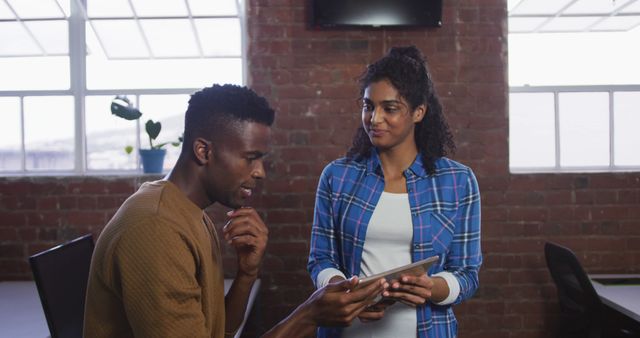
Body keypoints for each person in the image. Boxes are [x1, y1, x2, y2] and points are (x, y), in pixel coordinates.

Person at [84, 84, 387, 338]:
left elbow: (220, 330)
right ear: (204, 151)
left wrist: (246, 273)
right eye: (250, 158)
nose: (260, 172)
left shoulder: (191, 213)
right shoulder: (155, 227)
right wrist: (309, 317)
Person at [307, 46, 482, 338]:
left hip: (428, 330)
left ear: (418, 112)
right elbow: (321, 260)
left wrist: (433, 287)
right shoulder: (337, 176)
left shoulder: (458, 181)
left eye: (389, 108)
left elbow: (467, 273)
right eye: (368, 106)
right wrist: (345, 294)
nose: (374, 119)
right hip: (347, 330)